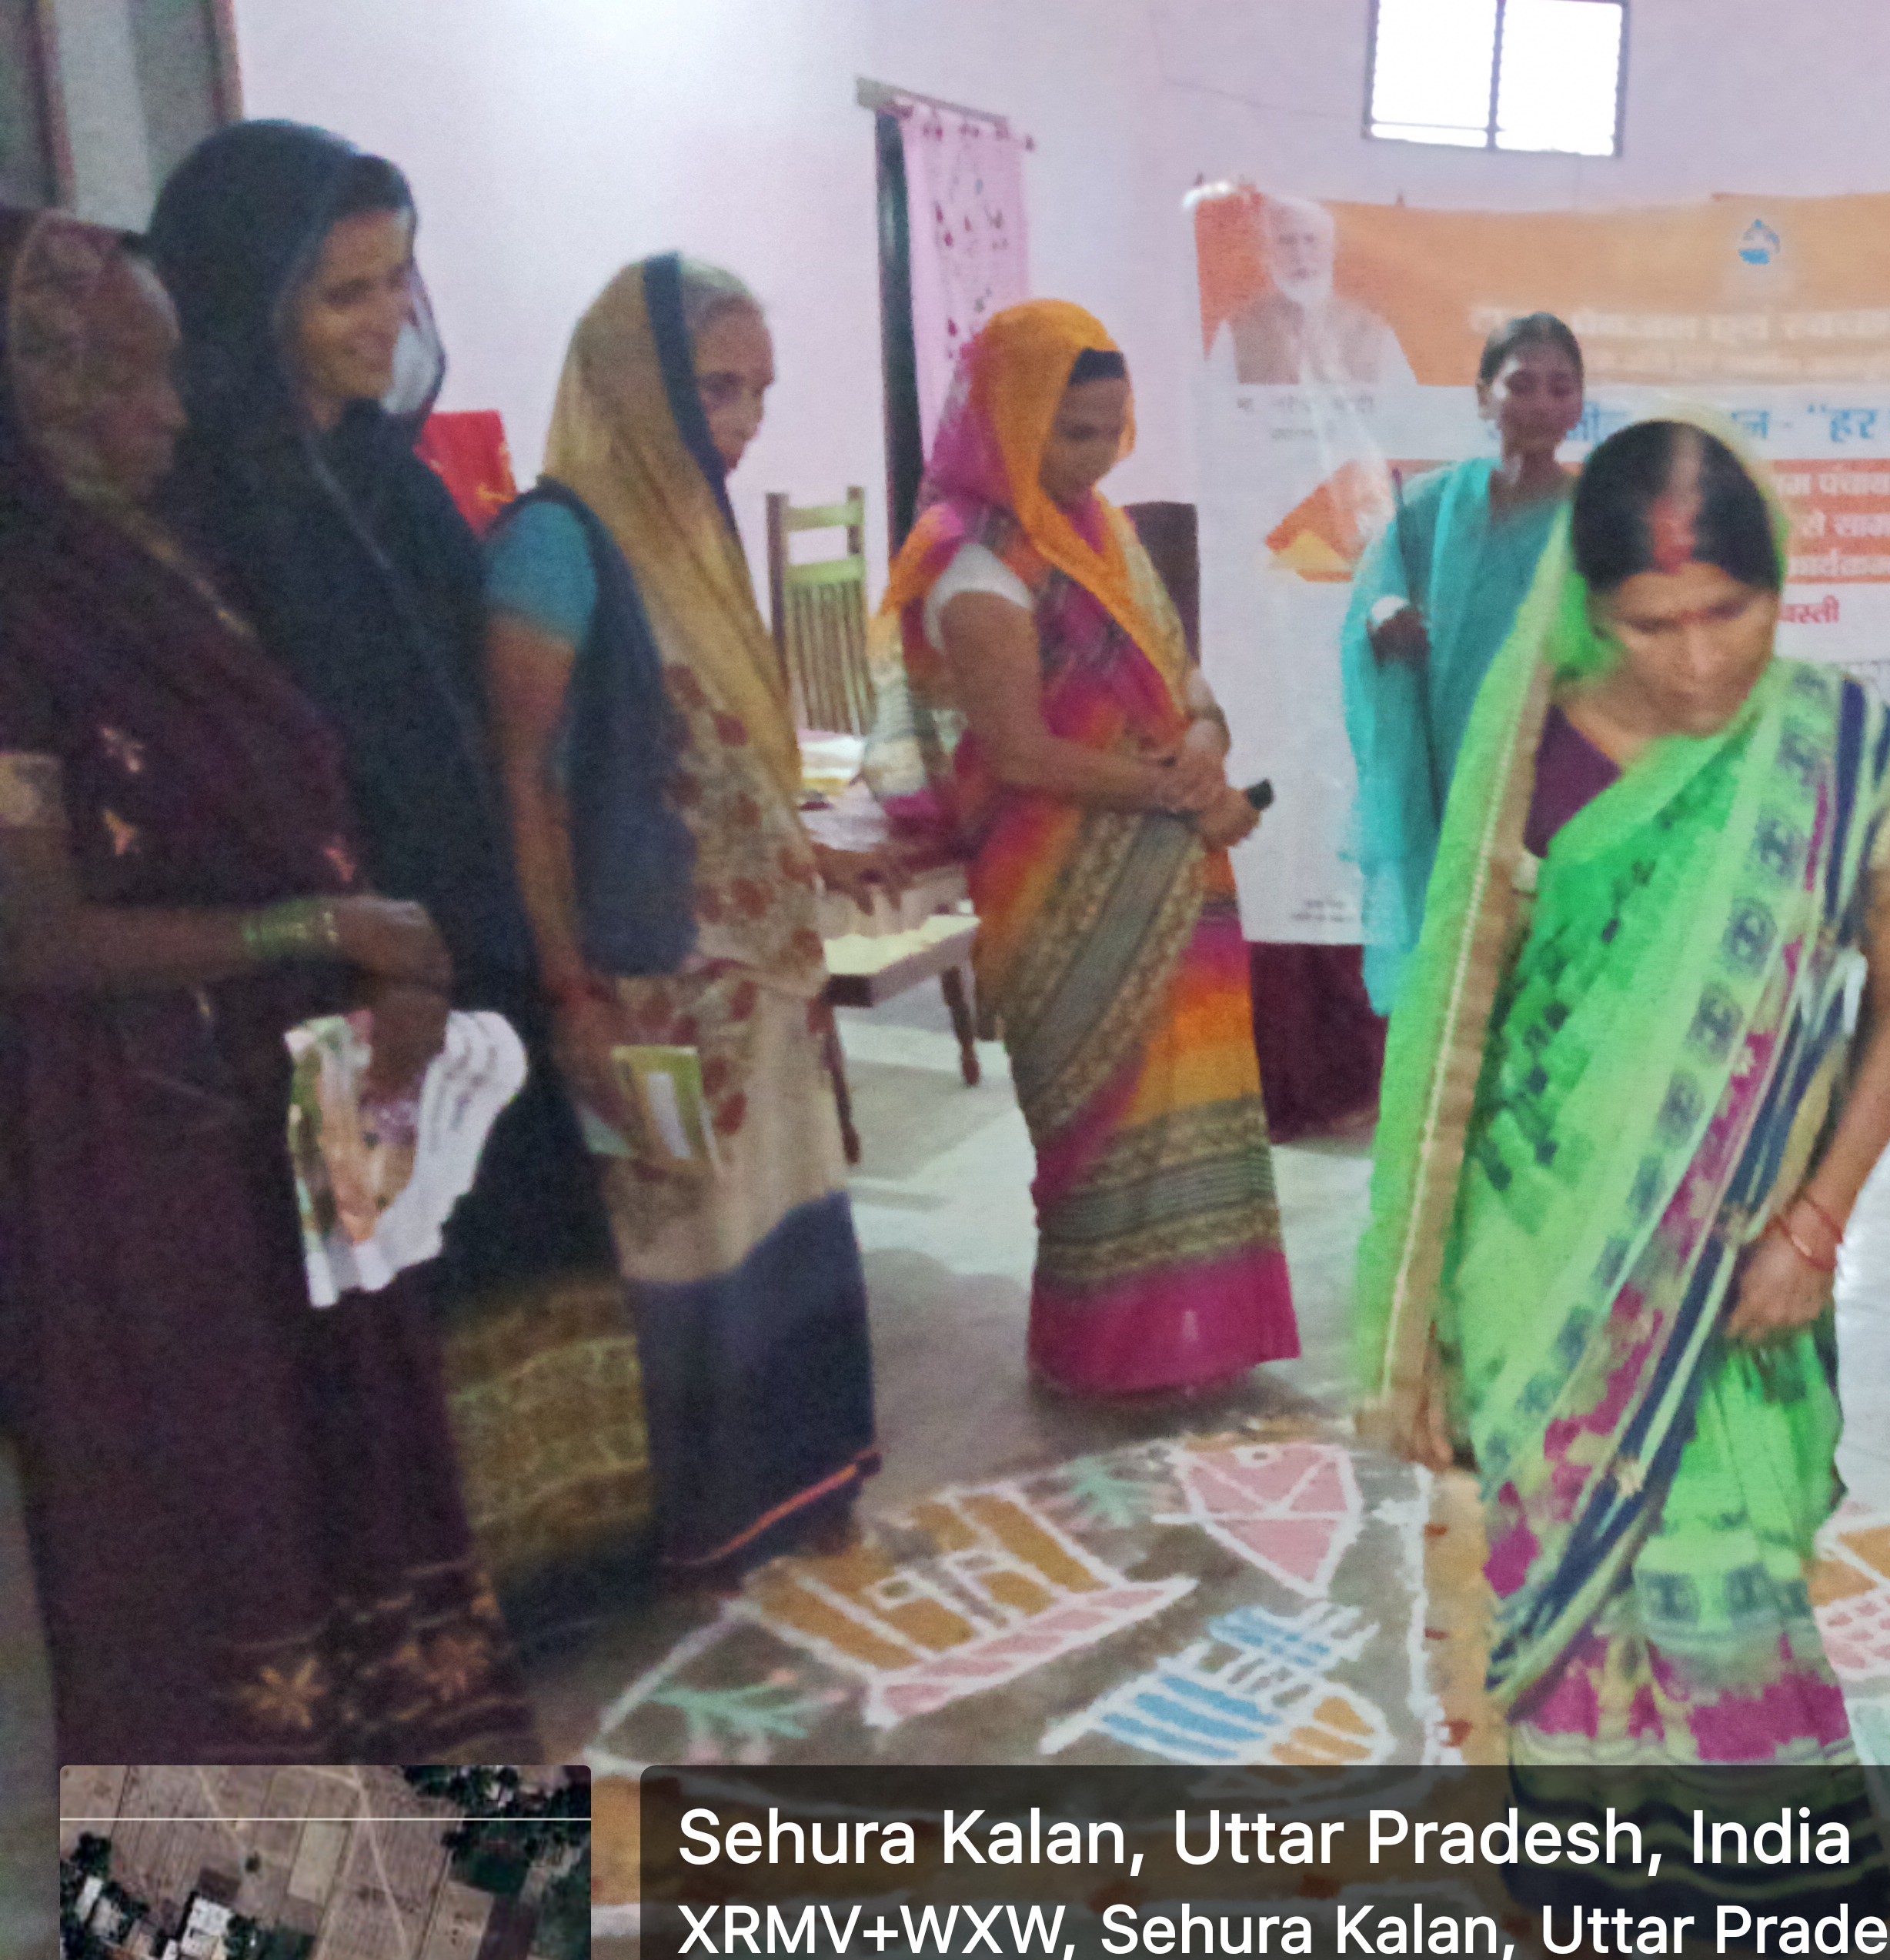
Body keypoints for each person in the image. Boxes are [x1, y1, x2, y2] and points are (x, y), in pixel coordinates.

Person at [1355, 416, 1890, 1960]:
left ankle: (1745, 1890)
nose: (1696, 662)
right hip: (1535, 1256)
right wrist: (1425, 1309)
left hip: (1741, 1269)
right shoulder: (1528, 755)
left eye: (1727, 615)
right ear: (1587, 608)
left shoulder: (1839, 749)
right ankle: (1578, 1939)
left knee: (1727, 1585)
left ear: (1780, 588)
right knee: (1559, 1619)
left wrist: (1818, 1220)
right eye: (1650, 624)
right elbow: (1459, 1037)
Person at [0, 205, 529, 1758]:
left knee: (361, 1460)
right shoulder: (23, 611)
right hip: (140, 1133)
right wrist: (322, 928)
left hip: (304, 1094)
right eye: (117, 378)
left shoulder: (177, 553)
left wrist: (387, 961)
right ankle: (245, 1926)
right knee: (215, 1518)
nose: (165, 413)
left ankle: (426, 1894)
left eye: (169, 371)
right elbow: (31, 936)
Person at [145, 120, 648, 1628]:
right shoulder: (205, 515)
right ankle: (436, 1602)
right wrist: (371, 944)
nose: (385, 323)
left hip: (470, 935)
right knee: (390, 1284)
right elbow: (244, 773)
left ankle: (559, 1577)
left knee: (514, 1233)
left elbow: (473, 720)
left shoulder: (392, 478)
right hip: (337, 971)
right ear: (245, 306)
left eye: (396, 282)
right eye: (341, 293)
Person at [484, 256, 879, 1574]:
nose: (744, 420)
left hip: (757, 968)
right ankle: (706, 1513)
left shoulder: (693, 533)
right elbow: (524, 780)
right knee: (683, 1239)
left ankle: (794, 1478)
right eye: (715, 387)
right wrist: (569, 988)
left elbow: (730, 756)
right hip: (651, 971)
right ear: (632, 380)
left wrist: (805, 868)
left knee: (777, 1215)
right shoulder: (557, 540)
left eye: (759, 391)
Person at [882, 300, 1296, 1396]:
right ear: (1009, 420)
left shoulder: (1100, 532)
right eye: (1074, 432)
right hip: (1059, 886)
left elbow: (1185, 682)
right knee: (1100, 1132)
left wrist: (1202, 746)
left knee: (1192, 1117)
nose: (1099, 455)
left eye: (1113, 430)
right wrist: (1176, 792)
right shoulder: (970, 555)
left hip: (1173, 871)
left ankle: (1200, 1344)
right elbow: (1018, 751)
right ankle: (1101, 1359)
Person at [1342, 311, 1584, 1014]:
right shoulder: (1430, 507)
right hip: (1447, 771)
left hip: (1559, 769)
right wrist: (1385, 619)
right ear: (1483, 396)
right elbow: (1373, 608)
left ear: (1578, 402)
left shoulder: (1594, 519)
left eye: (1561, 387)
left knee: (1548, 972)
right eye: (1522, 385)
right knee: (1455, 974)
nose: (1541, 404)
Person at [1210, 195, 1415, 388]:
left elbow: (1405, 407)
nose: (1300, 255)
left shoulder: (1373, 332)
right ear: (1267, 251)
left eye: (1311, 240)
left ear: (1332, 249)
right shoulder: (1236, 331)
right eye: (1286, 241)